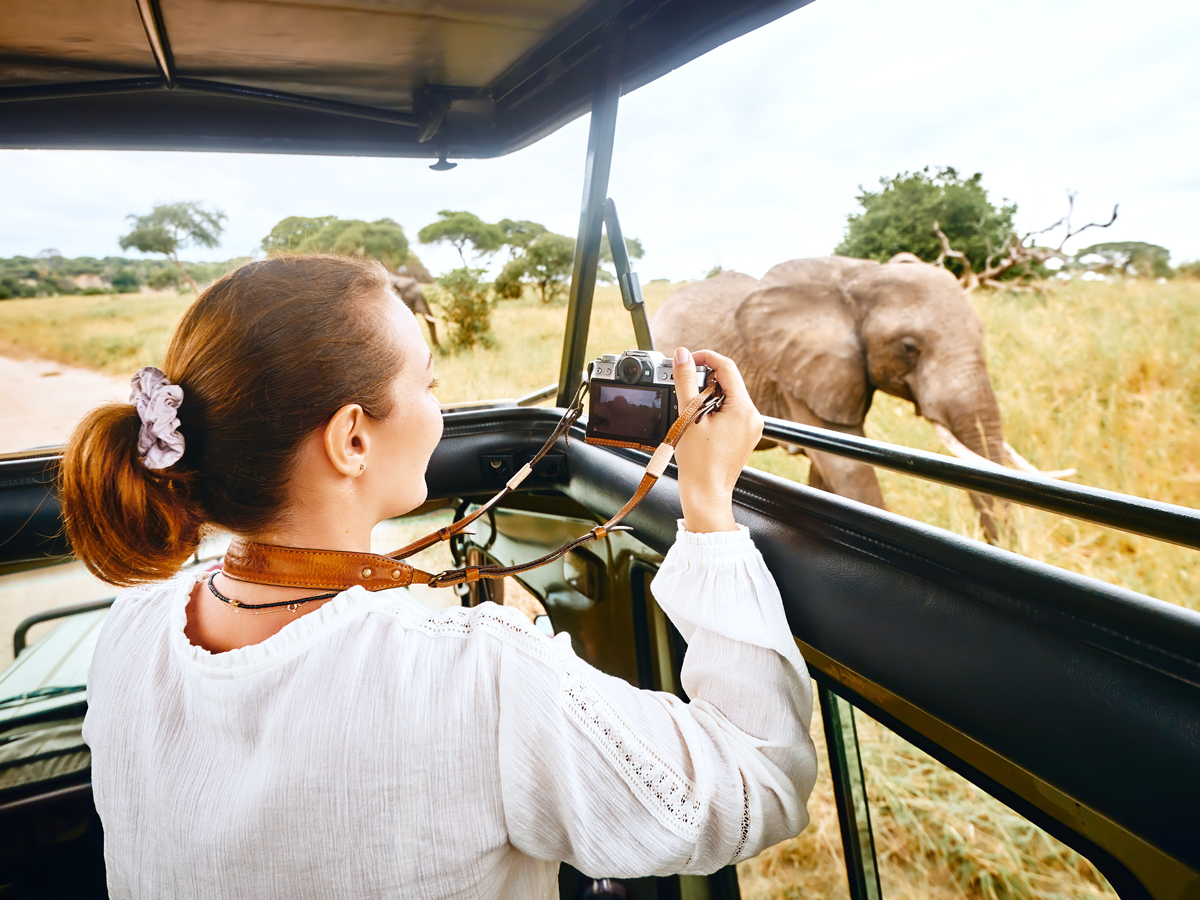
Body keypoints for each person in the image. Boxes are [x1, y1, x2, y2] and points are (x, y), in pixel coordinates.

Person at [60, 254, 817, 899]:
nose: (440, 408)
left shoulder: (129, 631)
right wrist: (710, 506)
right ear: (352, 438)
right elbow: (759, 784)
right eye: (426, 383)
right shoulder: (477, 673)